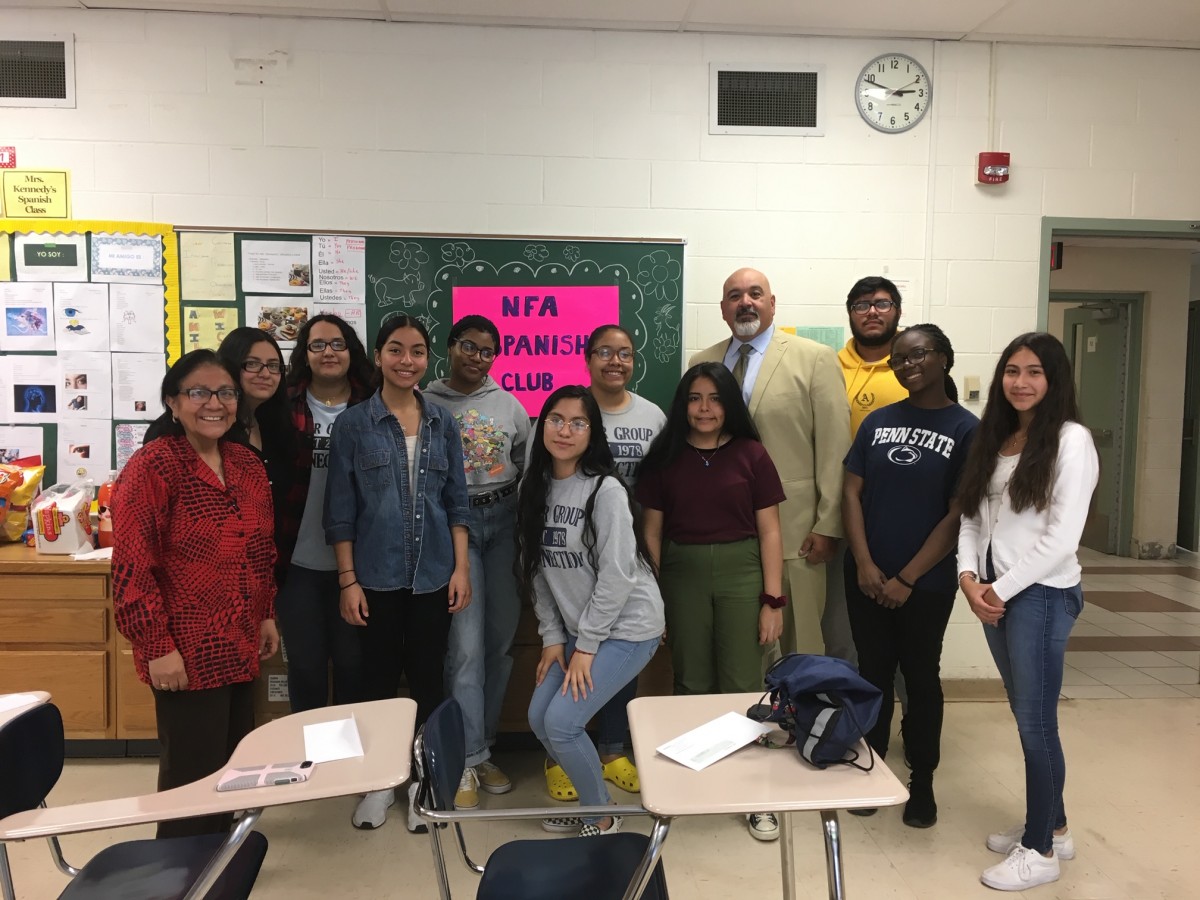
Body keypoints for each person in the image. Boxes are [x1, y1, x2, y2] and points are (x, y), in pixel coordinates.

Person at [112, 349, 279, 839]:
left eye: (225, 392)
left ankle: (220, 864)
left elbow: (260, 550)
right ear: (173, 401)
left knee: (232, 767)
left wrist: (266, 613)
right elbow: (131, 568)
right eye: (199, 392)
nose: (215, 403)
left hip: (240, 641)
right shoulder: (154, 467)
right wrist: (157, 646)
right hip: (185, 648)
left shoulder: (245, 464)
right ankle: (180, 871)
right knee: (191, 777)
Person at [956, 333, 1098, 892]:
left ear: (1054, 379)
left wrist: (1000, 589)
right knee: (1028, 716)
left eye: (1034, 372)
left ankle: (1039, 850)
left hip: (1040, 595)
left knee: (1036, 725)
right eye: (1012, 371)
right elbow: (972, 514)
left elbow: (1062, 537)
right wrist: (968, 578)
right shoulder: (997, 436)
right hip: (997, 593)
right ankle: (1054, 825)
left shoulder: (1071, 440)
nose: (1020, 381)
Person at [325, 314, 471, 831]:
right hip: (375, 577)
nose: (405, 361)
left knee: (429, 680)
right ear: (380, 357)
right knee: (378, 681)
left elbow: (457, 503)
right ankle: (378, 784)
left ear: (426, 358)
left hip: (434, 575)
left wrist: (460, 569)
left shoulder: (441, 423)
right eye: (394, 350)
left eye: (415, 351)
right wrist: (347, 580)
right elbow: (340, 512)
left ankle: (424, 785)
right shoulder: (353, 424)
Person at [636, 362, 786, 841]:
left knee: (742, 680)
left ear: (729, 405)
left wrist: (772, 600)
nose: (704, 408)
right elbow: (652, 533)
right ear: (683, 405)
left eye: (715, 399)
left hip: (743, 571)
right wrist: (657, 598)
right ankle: (695, 781)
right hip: (682, 574)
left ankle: (753, 792)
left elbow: (770, 531)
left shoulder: (752, 454)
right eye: (695, 398)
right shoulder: (665, 457)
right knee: (692, 679)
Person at [841, 324, 977, 829]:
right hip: (867, 579)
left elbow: (959, 512)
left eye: (918, 354)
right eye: (899, 357)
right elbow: (851, 493)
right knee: (872, 674)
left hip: (927, 584)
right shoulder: (877, 422)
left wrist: (908, 578)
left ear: (943, 358)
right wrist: (865, 564)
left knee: (920, 679)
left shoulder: (967, 429)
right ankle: (871, 767)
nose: (907, 364)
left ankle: (922, 782)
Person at [518, 385, 664, 839]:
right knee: (539, 718)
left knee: (562, 723)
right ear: (542, 425)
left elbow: (618, 577)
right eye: (556, 419)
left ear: (592, 433)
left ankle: (601, 817)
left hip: (628, 628)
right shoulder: (534, 487)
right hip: (581, 633)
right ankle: (591, 804)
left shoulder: (606, 490)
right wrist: (552, 638)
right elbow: (536, 570)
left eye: (578, 423)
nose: (565, 430)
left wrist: (586, 646)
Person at [691, 268, 849, 661]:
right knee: (740, 650)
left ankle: (804, 724)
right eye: (735, 296)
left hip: (797, 532)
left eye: (755, 294)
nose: (745, 302)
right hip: (723, 534)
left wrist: (829, 523)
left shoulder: (814, 359)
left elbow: (834, 446)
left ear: (772, 304)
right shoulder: (702, 361)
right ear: (723, 310)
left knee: (801, 649)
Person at [424, 315, 529, 809]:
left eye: (487, 351)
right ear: (451, 347)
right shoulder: (426, 401)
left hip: (503, 523)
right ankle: (464, 757)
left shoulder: (509, 405)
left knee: (498, 645)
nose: (477, 357)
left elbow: (528, 465)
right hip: (454, 530)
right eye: (468, 346)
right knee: (464, 648)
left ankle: (482, 747)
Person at [580, 323, 666, 800]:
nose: (615, 361)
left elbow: (664, 492)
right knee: (580, 647)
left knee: (621, 651)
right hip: (576, 557)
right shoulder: (573, 410)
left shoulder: (653, 416)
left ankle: (614, 749)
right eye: (605, 353)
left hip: (631, 555)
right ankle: (566, 746)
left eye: (625, 353)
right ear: (588, 358)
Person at [276, 314, 374, 715]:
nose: (328, 352)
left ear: (351, 352)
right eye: (318, 345)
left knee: (354, 666)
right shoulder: (283, 405)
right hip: (297, 562)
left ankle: (350, 770)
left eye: (337, 343)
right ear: (305, 353)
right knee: (305, 667)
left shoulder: (374, 405)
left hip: (359, 564)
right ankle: (308, 765)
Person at [824, 276, 909, 662]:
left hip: (896, 517)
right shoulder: (826, 366)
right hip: (838, 514)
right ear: (850, 315)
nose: (872, 312)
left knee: (902, 628)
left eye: (882, 303)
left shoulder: (913, 369)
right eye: (861, 305)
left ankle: (901, 714)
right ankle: (847, 714)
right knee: (838, 627)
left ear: (898, 311)